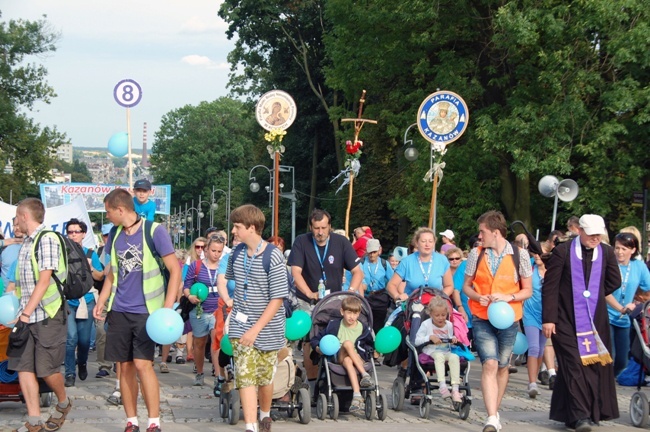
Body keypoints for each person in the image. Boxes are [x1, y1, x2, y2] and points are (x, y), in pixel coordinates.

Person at [93, 188, 181, 432]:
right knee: (125, 366)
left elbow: (174, 270)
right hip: (119, 310)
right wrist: (102, 299)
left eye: (109, 211)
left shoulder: (155, 231)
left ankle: (154, 422)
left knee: (143, 365)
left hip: (147, 312)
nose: (107, 216)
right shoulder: (114, 233)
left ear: (121, 209)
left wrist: (166, 309)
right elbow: (111, 273)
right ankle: (131, 420)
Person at [542, 214, 621, 432]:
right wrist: (548, 318)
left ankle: (572, 412)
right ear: (580, 231)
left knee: (591, 366)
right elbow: (550, 287)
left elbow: (614, 280)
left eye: (599, 234)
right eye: (592, 234)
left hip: (595, 321)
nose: (596, 238)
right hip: (564, 320)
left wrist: (592, 293)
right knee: (573, 365)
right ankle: (581, 417)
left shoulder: (606, 252)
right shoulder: (563, 252)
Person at [462, 210, 532, 432]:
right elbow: (465, 286)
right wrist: (477, 296)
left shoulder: (520, 255)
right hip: (482, 316)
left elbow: (527, 290)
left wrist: (508, 297)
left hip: (509, 318)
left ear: (495, 232)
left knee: (503, 366)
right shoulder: (476, 254)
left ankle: (495, 410)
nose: (479, 235)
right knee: (490, 363)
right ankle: (491, 417)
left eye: (482, 231)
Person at [7, 198, 72, 432]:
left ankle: (64, 402)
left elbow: (44, 281)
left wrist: (25, 313)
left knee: (47, 369)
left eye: (16, 217)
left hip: (48, 315)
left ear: (25, 216)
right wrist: (18, 311)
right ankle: (35, 422)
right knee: (23, 367)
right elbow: (21, 283)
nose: (15, 222)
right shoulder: (25, 243)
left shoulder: (48, 239)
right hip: (26, 315)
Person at [225, 204, 288, 432]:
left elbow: (278, 298)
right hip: (241, 327)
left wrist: (256, 330)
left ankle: (265, 414)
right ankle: (250, 426)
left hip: (268, 328)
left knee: (264, 378)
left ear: (251, 228)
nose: (233, 231)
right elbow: (231, 282)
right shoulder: (236, 254)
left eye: (237, 226)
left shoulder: (274, 257)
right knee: (245, 375)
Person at [288, 208, 363, 390]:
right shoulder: (301, 242)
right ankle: (312, 382)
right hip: (308, 299)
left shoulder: (341, 242)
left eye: (323, 228)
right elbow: (295, 272)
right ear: (311, 227)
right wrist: (309, 293)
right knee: (309, 337)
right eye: (316, 228)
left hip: (334, 300)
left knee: (337, 334)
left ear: (329, 226)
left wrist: (351, 292)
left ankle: (340, 375)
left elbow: (357, 272)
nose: (320, 233)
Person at [310, 295, 373, 411]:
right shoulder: (334, 325)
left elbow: (369, 344)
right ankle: (365, 375)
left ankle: (357, 395)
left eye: (355, 314)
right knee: (347, 343)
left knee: (348, 360)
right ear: (342, 312)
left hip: (357, 357)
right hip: (339, 355)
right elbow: (315, 339)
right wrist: (318, 348)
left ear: (359, 314)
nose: (352, 317)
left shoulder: (362, 328)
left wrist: (374, 352)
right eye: (349, 313)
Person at [63, 218, 105, 388]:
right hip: (68, 301)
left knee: (85, 340)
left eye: (76, 232)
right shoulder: (63, 253)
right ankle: (69, 372)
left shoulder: (90, 253)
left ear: (83, 234)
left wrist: (90, 268)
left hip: (86, 300)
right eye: (70, 232)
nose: (73, 235)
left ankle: (82, 362)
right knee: (70, 338)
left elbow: (101, 276)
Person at [604, 232, 650, 377]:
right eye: (617, 248)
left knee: (622, 361)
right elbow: (604, 292)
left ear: (633, 250)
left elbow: (648, 287)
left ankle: (610, 382)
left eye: (624, 249)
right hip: (606, 315)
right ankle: (604, 386)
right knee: (608, 357)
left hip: (624, 319)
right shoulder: (608, 264)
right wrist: (621, 308)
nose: (619, 252)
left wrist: (639, 303)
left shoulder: (639, 266)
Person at [182, 234, 225, 386]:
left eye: (219, 251)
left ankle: (219, 377)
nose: (216, 254)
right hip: (199, 310)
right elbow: (186, 286)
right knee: (199, 344)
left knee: (216, 342)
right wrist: (190, 297)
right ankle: (200, 373)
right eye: (213, 250)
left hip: (217, 310)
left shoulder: (224, 266)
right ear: (206, 250)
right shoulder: (196, 266)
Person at [414, 296, 463, 403]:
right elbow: (417, 340)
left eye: (443, 315)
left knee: (455, 357)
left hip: (446, 351)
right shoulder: (426, 324)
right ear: (430, 314)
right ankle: (442, 386)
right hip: (431, 351)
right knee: (439, 356)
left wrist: (453, 339)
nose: (440, 318)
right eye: (437, 315)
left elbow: (451, 338)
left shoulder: (449, 325)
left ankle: (455, 389)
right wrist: (429, 337)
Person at [386, 227, 454, 301]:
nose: (427, 244)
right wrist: (397, 296)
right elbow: (391, 285)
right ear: (417, 243)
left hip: (436, 305)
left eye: (430, 241)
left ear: (434, 243)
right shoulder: (407, 262)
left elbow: (449, 286)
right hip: (413, 306)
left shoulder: (442, 260)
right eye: (423, 241)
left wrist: (440, 298)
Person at [360, 238, 393, 361]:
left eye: (374, 252)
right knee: (366, 323)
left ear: (379, 251)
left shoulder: (384, 264)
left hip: (381, 296)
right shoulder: (362, 263)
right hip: (367, 296)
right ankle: (366, 348)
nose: (372, 255)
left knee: (378, 324)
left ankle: (377, 350)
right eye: (369, 252)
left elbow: (391, 281)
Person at [523, 251, 547, 398]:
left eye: (541, 255)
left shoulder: (552, 271)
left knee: (541, 349)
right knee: (534, 347)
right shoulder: (530, 270)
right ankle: (532, 382)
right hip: (529, 312)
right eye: (536, 254)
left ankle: (535, 377)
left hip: (546, 315)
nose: (537, 257)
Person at [446, 247, 470, 337]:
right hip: (450, 300)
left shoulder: (465, 269)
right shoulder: (446, 271)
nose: (454, 261)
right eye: (451, 259)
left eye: (457, 258)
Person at [0, 218, 24, 288]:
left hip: (26, 296)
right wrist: (3, 242)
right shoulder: (4, 246)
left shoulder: (33, 246)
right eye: (15, 225)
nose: (17, 228)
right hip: (5, 296)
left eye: (20, 225)